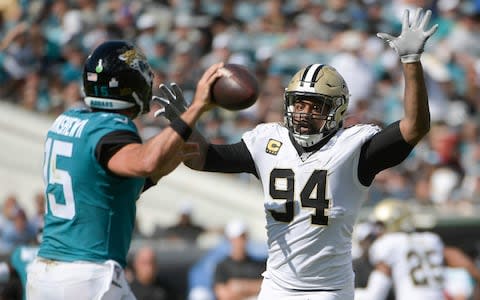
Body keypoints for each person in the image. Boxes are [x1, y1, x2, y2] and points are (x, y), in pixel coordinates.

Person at [157, 7, 438, 299]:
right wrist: (185, 123)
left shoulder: (354, 148)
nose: (303, 113)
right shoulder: (268, 141)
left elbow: (415, 127)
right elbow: (204, 158)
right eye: (299, 104)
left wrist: (410, 62)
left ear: (336, 110)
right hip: (276, 286)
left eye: (315, 106)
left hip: (327, 290)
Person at [25, 40, 224, 299]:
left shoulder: (67, 120)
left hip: (45, 272)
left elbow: (107, 187)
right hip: (89, 273)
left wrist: (163, 168)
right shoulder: (111, 127)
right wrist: (196, 108)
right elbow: (145, 161)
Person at [356, 198, 480, 300]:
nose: (378, 231)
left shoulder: (388, 243)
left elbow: (375, 296)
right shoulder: (431, 239)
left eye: (380, 225)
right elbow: (458, 258)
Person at [213, 220, 265, 300]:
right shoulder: (222, 266)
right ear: (229, 240)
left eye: (243, 237)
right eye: (237, 238)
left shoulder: (259, 264)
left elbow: (268, 287)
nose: (240, 241)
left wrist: (241, 287)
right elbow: (224, 295)